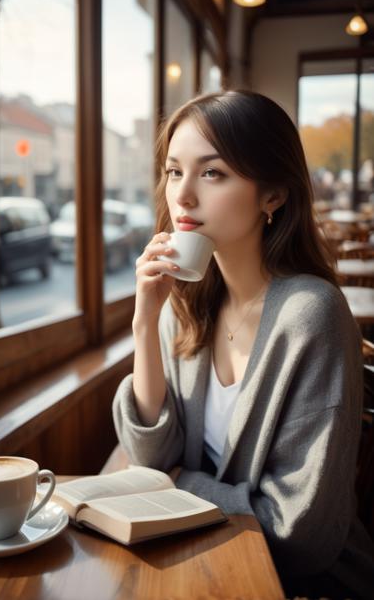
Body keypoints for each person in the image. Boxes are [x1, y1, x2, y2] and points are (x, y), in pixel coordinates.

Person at [112, 90, 374, 599]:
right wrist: (145, 323)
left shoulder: (310, 315)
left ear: (273, 195)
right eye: (173, 172)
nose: (183, 195)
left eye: (212, 173)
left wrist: (178, 483)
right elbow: (148, 456)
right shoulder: (182, 305)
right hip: (202, 557)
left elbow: (303, 535)